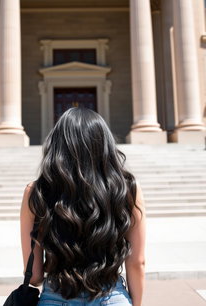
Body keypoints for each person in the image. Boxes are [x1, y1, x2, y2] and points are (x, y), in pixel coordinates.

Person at [20, 107, 146, 306]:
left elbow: (34, 276)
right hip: (111, 297)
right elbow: (137, 262)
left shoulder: (36, 191)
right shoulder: (128, 188)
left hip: (56, 297)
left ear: (57, 144)